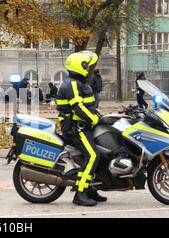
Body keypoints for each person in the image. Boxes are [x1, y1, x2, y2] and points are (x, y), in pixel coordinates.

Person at [56, 51, 105, 207]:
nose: (90, 69)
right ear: (80, 66)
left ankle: (91, 188)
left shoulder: (79, 83)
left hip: (82, 126)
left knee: (102, 152)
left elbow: (88, 106)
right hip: (76, 128)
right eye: (88, 66)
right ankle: (80, 193)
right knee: (92, 155)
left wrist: (99, 115)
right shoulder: (72, 84)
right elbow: (78, 109)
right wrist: (95, 119)